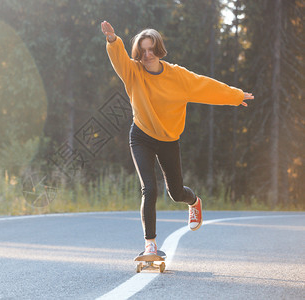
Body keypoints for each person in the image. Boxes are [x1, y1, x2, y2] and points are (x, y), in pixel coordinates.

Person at [101, 21, 254, 256]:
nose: (147, 55)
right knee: (149, 189)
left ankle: (193, 201)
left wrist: (234, 95)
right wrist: (113, 40)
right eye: (142, 51)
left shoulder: (177, 76)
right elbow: (118, 57)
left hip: (168, 140)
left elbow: (206, 86)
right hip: (141, 135)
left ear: (159, 49)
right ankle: (150, 245)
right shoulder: (132, 72)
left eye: (151, 49)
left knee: (175, 193)